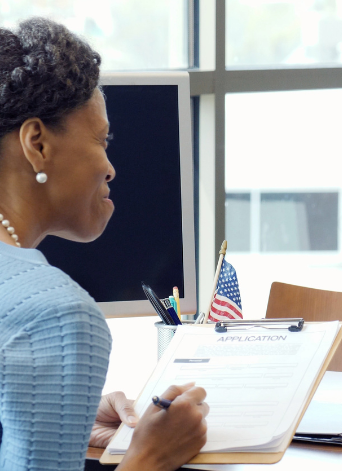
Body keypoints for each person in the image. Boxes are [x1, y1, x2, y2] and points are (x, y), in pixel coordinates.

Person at [0, 17, 208, 470]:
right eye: (101, 139)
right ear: (36, 143)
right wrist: (150, 457)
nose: (110, 168)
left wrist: (59, 407)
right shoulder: (56, 314)